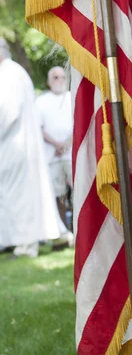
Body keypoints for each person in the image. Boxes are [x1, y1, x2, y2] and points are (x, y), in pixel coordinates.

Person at [0, 39, 61, 258]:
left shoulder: (9, 75)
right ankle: (32, 239)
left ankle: (26, 244)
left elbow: (8, 111)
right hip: (18, 143)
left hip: (15, 143)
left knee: (19, 193)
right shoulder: (13, 72)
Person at [35, 66, 73, 241]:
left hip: (71, 154)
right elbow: (38, 127)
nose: (59, 80)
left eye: (62, 77)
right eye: (55, 78)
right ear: (49, 81)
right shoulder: (41, 102)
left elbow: (79, 123)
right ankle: (62, 232)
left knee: (76, 191)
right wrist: (57, 145)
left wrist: (66, 144)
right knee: (58, 195)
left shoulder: (72, 98)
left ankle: (78, 228)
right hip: (52, 156)